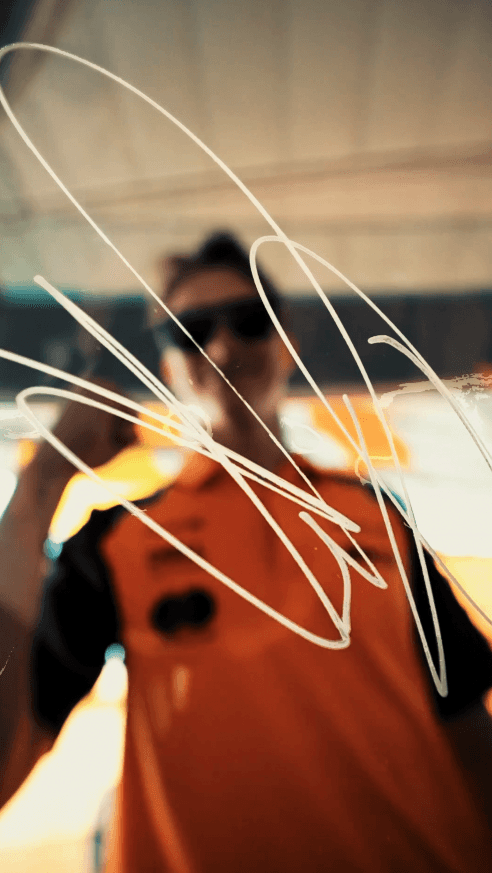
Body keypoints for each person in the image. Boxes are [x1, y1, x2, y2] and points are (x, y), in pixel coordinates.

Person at [1, 231, 492, 872]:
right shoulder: (117, 539)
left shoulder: (377, 515)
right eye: (192, 331)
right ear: (170, 365)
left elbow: (464, 720)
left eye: (249, 321)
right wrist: (39, 487)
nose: (224, 346)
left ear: (286, 340)